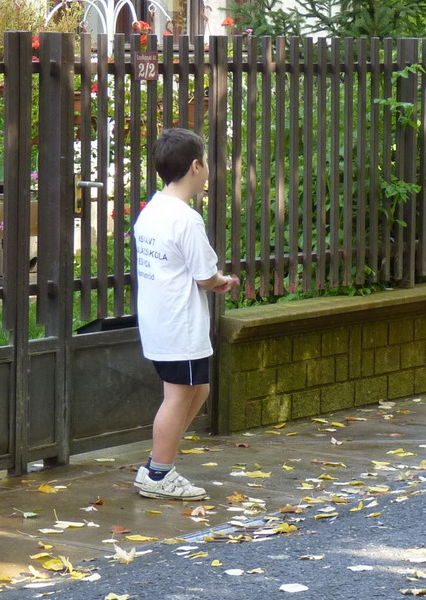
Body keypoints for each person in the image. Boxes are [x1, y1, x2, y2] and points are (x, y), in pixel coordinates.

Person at [132, 128, 239, 501]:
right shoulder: (186, 219)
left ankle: (157, 463)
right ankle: (159, 473)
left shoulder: (152, 210)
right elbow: (205, 276)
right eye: (205, 161)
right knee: (178, 397)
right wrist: (222, 281)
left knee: (197, 389)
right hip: (180, 325)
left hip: (160, 321)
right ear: (196, 166)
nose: (207, 168)